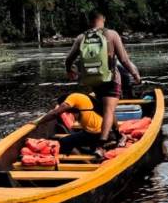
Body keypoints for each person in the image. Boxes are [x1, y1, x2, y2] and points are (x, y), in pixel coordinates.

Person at [65, 10, 141, 148]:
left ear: (90, 21)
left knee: (106, 108)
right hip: (111, 78)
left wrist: (69, 70)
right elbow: (124, 60)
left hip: (93, 80)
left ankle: (118, 135)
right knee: (108, 111)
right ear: (103, 19)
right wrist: (135, 75)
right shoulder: (112, 34)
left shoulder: (81, 37)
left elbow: (68, 59)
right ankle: (101, 145)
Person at [38, 93, 105, 155]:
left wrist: (38, 122)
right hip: (100, 132)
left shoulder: (72, 98)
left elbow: (55, 114)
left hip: (94, 134)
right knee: (74, 138)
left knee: (63, 142)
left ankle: (85, 162)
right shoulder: (82, 102)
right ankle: (90, 151)